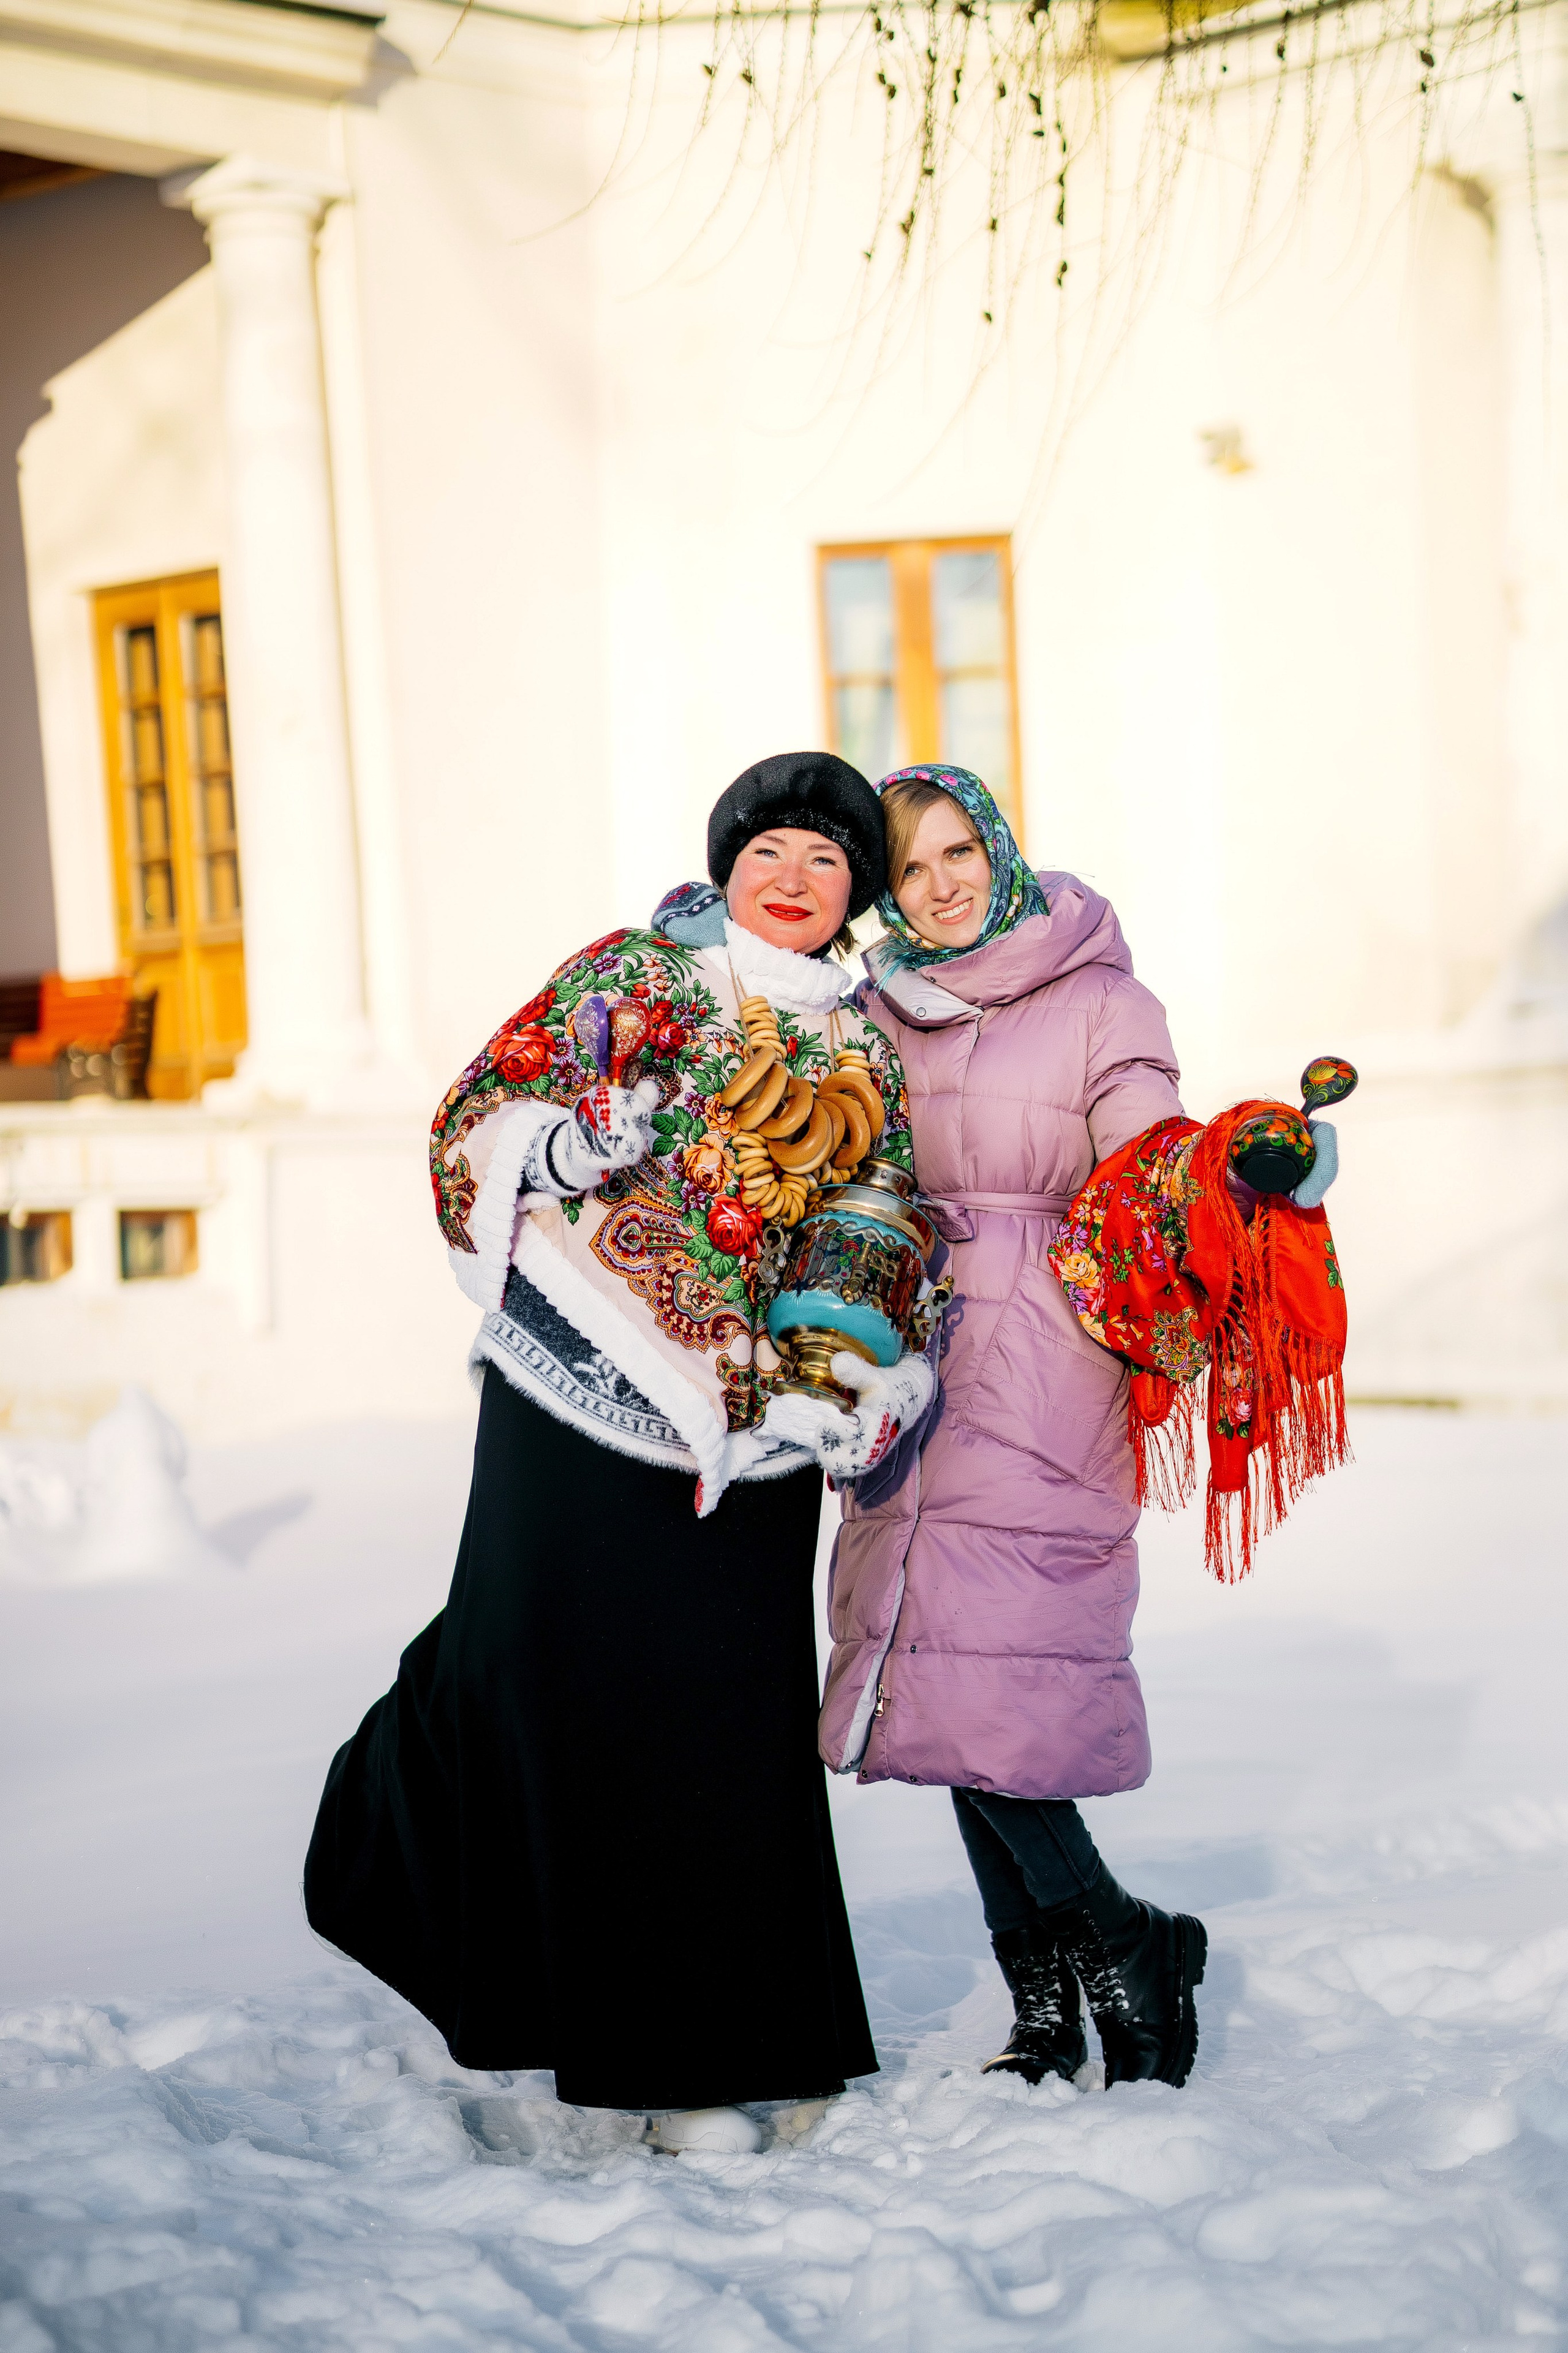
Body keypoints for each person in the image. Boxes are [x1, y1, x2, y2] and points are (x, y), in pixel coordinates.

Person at [303, 751, 936, 2156]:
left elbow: (872, 1224)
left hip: (755, 1430)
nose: (790, 880)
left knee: (717, 1731)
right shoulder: (631, 974)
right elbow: (474, 1112)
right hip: (574, 1371)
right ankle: (399, 1870)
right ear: (726, 865)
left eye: (825, 862)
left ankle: (716, 2052)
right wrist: (567, 1150)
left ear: (851, 897)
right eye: (768, 851)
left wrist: (828, 1383)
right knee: (529, 1663)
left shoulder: (861, 1045)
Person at [819, 763, 1342, 2093]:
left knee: (998, 1685)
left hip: (1043, 1364)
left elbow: (1147, 1167)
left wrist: (1238, 1163)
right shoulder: (875, 1011)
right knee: (935, 1683)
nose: (937, 885)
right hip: (906, 1363)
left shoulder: (1101, 997)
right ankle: (1041, 2002)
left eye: (954, 854)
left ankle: (1126, 1941)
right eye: (909, 869)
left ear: (995, 849)